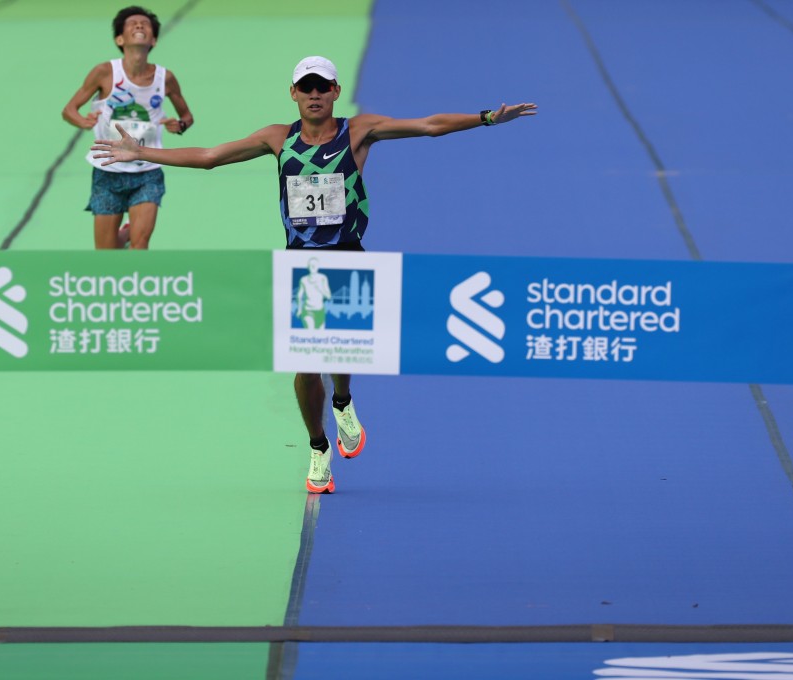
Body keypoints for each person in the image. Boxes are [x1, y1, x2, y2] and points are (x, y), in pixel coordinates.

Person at [92, 55, 537, 493]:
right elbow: (210, 156)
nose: (315, 94)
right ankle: (318, 446)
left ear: (335, 92)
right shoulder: (276, 138)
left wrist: (487, 118)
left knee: (340, 355)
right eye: (306, 87)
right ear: (294, 94)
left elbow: (428, 125)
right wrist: (141, 151)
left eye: (322, 86)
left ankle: (343, 401)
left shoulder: (359, 130)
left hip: (349, 257)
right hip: (299, 262)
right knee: (305, 364)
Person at [62, 6, 194, 251]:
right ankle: (123, 236)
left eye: (145, 24)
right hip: (107, 170)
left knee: (141, 245)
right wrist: (83, 121)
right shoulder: (104, 72)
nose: (139, 26)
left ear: (153, 39)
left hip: (148, 171)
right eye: (132, 24)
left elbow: (186, 115)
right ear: (119, 39)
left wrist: (180, 124)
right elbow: (69, 110)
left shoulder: (165, 78)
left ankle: (133, 246)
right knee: (106, 253)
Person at [296, 257, 332, 330]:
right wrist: (299, 309)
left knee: (320, 337)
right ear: (308, 266)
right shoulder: (303, 280)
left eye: (315, 265)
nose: (313, 267)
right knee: (310, 333)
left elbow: (328, 296)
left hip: (320, 311)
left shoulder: (323, 278)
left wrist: (320, 289)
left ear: (318, 266)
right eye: (311, 265)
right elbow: (299, 296)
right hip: (308, 310)